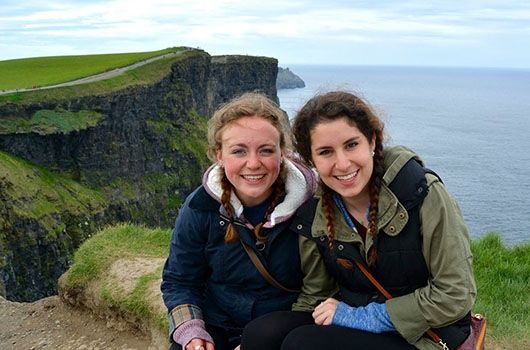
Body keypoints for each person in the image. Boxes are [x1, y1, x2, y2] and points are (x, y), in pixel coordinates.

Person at [240, 91, 477, 350]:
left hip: (427, 332)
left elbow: (455, 295)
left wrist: (360, 317)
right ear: (311, 160)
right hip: (359, 326)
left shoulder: (421, 193)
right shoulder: (315, 213)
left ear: (372, 141)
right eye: (325, 152)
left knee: (303, 344)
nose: (342, 164)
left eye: (352, 145)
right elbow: (318, 296)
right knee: (260, 335)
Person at [161, 92, 320, 350]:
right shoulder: (200, 207)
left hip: (284, 328)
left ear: (283, 152)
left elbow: (323, 287)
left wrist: (258, 341)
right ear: (219, 156)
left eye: (266, 150)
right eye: (239, 151)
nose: (253, 163)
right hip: (217, 324)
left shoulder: (311, 205)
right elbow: (180, 281)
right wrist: (191, 331)